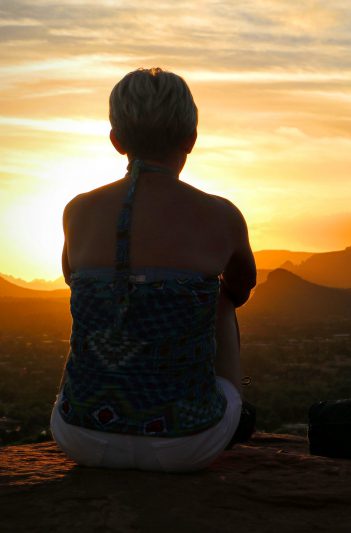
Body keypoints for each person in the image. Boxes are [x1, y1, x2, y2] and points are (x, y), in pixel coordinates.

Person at [50, 68, 257, 473]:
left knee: (99, 300)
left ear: (116, 141)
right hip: (188, 444)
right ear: (191, 139)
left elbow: (71, 279)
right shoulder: (222, 215)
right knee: (221, 300)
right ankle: (222, 409)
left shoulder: (76, 210)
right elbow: (241, 289)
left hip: (79, 436)